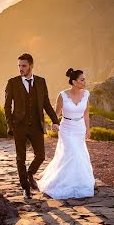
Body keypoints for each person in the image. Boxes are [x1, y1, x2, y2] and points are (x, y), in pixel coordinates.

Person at [4, 53, 60, 199]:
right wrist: (11, 125)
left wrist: (55, 120)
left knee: (41, 155)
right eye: (19, 66)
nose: (21, 69)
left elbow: (46, 103)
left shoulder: (41, 82)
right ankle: (25, 187)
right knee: (20, 158)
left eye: (24, 66)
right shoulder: (12, 82)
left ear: (31, 66)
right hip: (19, 126)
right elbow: (7, 106)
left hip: (36, 125)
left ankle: (30, 173)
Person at [36, 68, 95, 199]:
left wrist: (87, 129)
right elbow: (56, 113)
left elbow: (86, 114)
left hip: (79, 128)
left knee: (79, 154)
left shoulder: (86, 95)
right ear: (74, 82)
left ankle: (80, 183)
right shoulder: (62, 95)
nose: (85, 82)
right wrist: (54, 123)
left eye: (85, 79)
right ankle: (63, 183)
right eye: (82, 80)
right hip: (66, 129)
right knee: (72, 153)